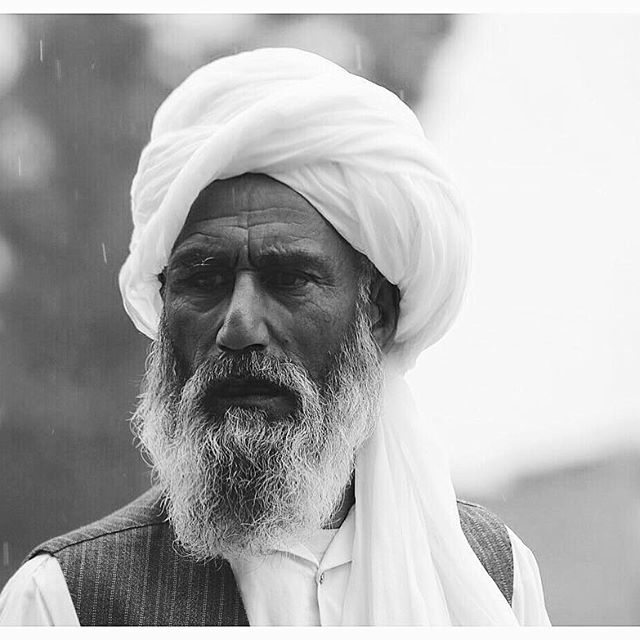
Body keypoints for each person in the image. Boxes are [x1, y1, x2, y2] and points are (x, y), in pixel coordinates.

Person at [0, 48, 550, 626]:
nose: (238, 327)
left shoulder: (494, 576)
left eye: (288, 279)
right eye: (204, 279)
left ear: (378, 313)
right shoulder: (65, 602)